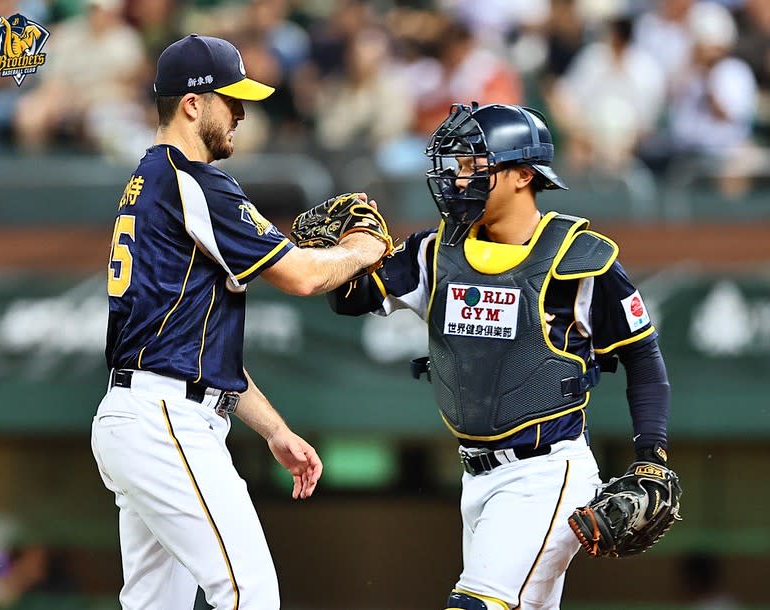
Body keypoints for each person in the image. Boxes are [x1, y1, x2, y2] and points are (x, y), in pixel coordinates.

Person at [327, 103, 671, 610]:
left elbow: (645, 361)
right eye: (455, 165)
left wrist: (652, 462)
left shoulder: (578, 259)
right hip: (476, 479)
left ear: (522, 175)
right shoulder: (436, 250)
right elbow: (350, 297)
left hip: (546, 473)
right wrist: (349, 246)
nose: (457, 178)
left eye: (473, 165)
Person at [91, 34, 388, 610]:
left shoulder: (148, 180)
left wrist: (274, 429)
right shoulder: (193, 181)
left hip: (144, 410)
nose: (243, 113)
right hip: (164, 420)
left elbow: (192, 352)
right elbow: (302, 275)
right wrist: (360, 249)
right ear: (192, 104)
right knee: (248, 592)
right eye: (232, 99)